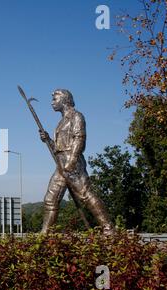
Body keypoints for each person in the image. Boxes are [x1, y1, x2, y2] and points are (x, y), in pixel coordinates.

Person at [39, 89, 114, 234]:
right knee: (50, 199)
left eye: (55, 99)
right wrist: (48, 139)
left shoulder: (76, 116)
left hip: (72, 163)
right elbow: (59, 148)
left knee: (85, 195)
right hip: (61, 163)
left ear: (64, 99)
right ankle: (45, 234)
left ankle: (109, 229)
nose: (52, 102)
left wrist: (72, 160)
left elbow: (80, 139)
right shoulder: (61, 121)